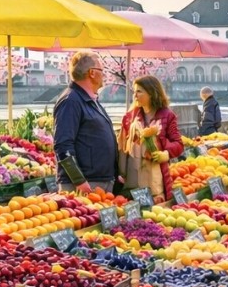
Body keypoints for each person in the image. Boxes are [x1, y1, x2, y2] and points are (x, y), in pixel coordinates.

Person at [53, 51, 117, 193]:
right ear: (92, 73)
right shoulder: (71, 101)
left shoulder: (89, 100)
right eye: (102, 70)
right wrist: (79, 180)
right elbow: (62, 144)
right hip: (85, 184)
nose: (104, 74)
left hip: (99, 179)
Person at [121, 75, 185, 198]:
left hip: (156, 176)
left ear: (151, 92)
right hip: (133, 175)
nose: (135, 96)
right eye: (134, 92)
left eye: (139, 91)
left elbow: (179, 144)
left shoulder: (167, 115)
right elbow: (124, 145)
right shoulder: (130, 116)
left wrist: (165, 154)